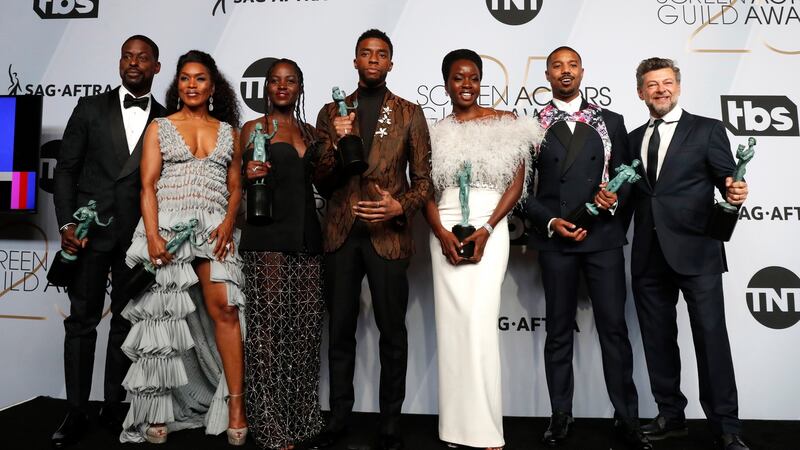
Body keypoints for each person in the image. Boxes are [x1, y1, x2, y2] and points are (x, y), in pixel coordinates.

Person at [309, 29, 432, 450]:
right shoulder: (331, 112)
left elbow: (424, 182)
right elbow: (322, 181)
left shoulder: (409, 113)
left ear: (391, 63)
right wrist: (337, 142)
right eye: (366, 53)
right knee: (340, 330)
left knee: (392, 333)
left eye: (381, 54)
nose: (374, 60)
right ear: (356, 61)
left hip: (387, 236)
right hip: (341, 234)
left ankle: (390, 423)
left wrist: (400, 206)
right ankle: (338, 417)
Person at [524, 46, 651, 450]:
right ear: (547, 75)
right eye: (557, 66)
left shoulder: (611, 121)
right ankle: (560, 414)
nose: (565, 71)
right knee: (558, 331)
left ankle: (627, 417)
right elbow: (522, 191)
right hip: (556, 240)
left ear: (582, 72)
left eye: (572, 65)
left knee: (614, 329)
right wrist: (551, 222)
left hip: (603, 241)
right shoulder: (532, 125)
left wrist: (615, 199)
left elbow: (628, 178)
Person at [118, 50, 248, 446]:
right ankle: (156, 410)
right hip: (168, 228)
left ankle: (236, 407)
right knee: (162, 321)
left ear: (213, 87)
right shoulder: (160, 127)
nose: (192, 85)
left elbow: (236, 186)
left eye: (200, 78)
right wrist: (153, 235)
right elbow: (147, 185)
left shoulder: (229, 132)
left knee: (225, 310)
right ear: (178, 84)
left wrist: (228, 223)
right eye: (186, 78)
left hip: (213, 227)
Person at [51, 34, 166, 449]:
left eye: (142, 57)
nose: (133, 63)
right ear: (120, 63)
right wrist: (67, 223)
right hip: (89, 236)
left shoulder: (166, 119)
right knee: (81, 323)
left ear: (156, 67)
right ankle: (76, 410)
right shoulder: (90, 108)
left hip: (136, 239)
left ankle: (114, 406)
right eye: (127, 56)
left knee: (125, 322)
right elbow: (65, 170)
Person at [629, 57, 749, 450]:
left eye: (667, 82)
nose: (660, 89)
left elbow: (727, 178)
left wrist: (734, 188)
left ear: (678, 87)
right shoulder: (632, 138)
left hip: (698, 252)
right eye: (652, 84)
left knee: (712, 339)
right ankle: (671, 415)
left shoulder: (707, 129)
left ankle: (726, 425)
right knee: (657, 339)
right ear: (641, 92)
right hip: (648, 255)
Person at [425, 49, 543, 450]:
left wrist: (488, 228)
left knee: (479, 324)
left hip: (489, 228)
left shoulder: (506, 123)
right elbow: (424, 189)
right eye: (458, 77)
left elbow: (516, 184)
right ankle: (454, 429)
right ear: (446, 83)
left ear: (480, 81)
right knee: (452, 329)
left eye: (473, 77)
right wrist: (440, 232)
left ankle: (485, 429)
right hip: (444, 227)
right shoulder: (433, 132)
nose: (467, 84)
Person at [239, 58, 324, 450]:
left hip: (308, 237)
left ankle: (301, 418)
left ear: (300, 87)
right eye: (275, 80)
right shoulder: (253, 129)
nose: (283, 86)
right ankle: (266, 422)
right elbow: (238, 179)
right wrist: (248, 173)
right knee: (267, 332)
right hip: (267, 235)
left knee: (304, 333)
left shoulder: (311, 132)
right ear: (267, 88)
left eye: (290, 80)